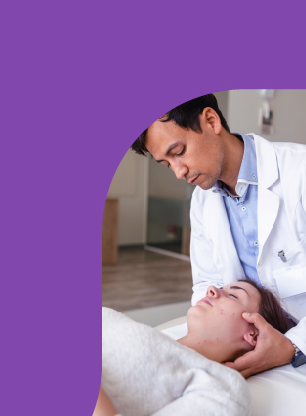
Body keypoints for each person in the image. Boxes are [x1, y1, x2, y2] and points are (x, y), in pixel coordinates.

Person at [131, 94, 306, 377]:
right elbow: (206, 282)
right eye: (166, 163)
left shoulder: (300, 172)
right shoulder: (203, 202)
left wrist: (293, 345)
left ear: (211, 120)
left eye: (179, 152)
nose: (178, 172)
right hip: (242, 342)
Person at [94, 279, 290, 416]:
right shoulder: (121, 320)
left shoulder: (223, 388)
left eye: (233, 296)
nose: (212, 289)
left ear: (254, 334)